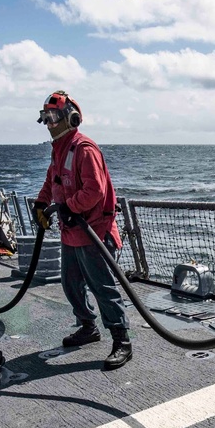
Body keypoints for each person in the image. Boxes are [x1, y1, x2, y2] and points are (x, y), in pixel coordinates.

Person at [33, 90, 133, 370]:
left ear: (71, 118)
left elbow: (94, 191)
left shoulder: (84, 148)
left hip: (93, 233)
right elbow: (51, 181)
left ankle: (121, 340)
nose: (49, 123)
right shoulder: (59, 149)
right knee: (70, 284)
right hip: (71, 232)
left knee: (103, 288)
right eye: (46, 117)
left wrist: (69, 207)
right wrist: (42, 203)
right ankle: (88, 327)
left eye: (53, 117)